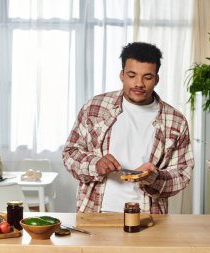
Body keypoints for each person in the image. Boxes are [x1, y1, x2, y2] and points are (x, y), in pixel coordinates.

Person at [62, 42, 194, 214]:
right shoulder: (95, 107)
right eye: (132, 75)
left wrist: (154, 177)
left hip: (148, 219)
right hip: (95, 214)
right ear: (122, 75)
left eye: (147, 77)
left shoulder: (176, 121)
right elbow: (70, 154)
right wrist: (96, 164)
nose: (139, 83)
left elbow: (182, 175)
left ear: (156, 79)